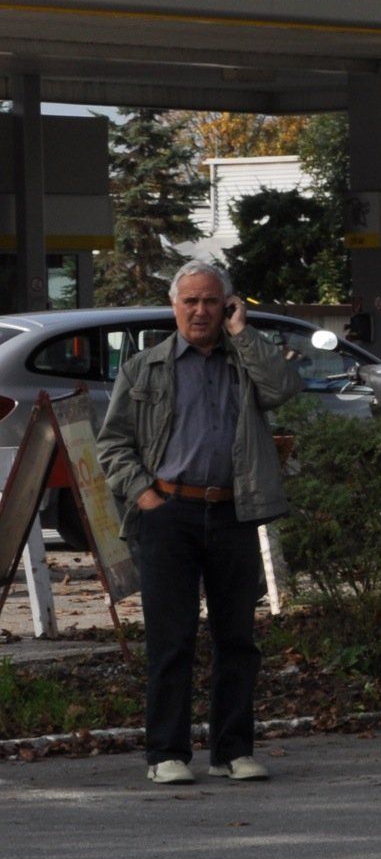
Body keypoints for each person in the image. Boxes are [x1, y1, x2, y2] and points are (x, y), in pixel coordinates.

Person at [97, 260, 300, 785]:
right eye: (190, 301)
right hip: (169, 513)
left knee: (237, 639)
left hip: (234, 510)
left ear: (226, 305)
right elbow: (113, 444)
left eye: (212, 301)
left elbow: (283, 388)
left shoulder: (243, 361)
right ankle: (167, 753)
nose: (201, 311)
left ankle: (233, 751)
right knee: (172, 639)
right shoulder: (144, 368)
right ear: (174, 307)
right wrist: (145, 497)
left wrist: (244, 332)